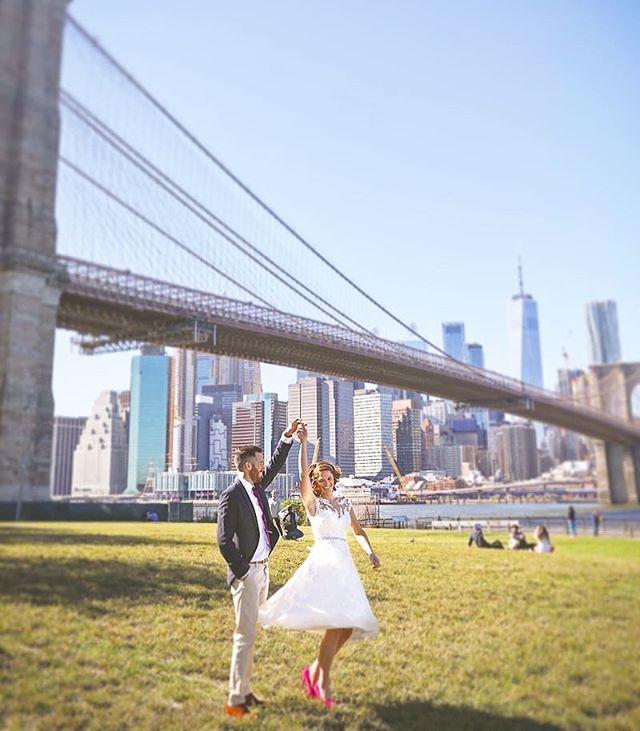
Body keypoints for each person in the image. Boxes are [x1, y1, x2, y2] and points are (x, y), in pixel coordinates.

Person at [258, 423, 379, 707]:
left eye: (327, 478)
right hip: (324, 562)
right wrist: (303, 444)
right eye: (319, 479)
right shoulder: (313, 505)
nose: (323, 482)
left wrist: (370, 553)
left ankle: (312, 671)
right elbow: (302, 475)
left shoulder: (345, 503)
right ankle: (322, 683)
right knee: (336, 624)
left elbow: (358, 531)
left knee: (347, 627)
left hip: (344, 563)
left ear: (334, 479)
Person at [217, 417, 302, 719]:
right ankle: (234, 699)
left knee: (252, 633)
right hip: (247, 573)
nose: (264, 466)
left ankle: (245, 691)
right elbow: (224, 540)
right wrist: (242, 571)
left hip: (263, 570)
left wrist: (287, 438)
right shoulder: (232, 495)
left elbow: (277, 464)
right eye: (260, 462)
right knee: (244, 635)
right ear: (249, 466)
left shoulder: (257, 488)